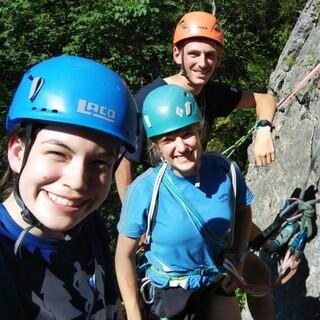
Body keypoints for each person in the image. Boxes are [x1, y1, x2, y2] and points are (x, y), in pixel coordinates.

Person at [0, 55, 137, 319]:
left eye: (99, 163)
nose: (77, 182)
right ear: (18, 152)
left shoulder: (88, 226)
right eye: (57, 153)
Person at [115, 84, 253, 320]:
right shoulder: (144, 189)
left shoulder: (225, 170)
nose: (182, 147)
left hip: (214, 281)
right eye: (168, 139)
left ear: (200, 132)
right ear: (156, 146)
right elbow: (123, 256)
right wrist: (135, 315)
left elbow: (243, 210)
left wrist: (238, 257)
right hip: (170, 293)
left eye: (188, 133)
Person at [115, 11, 276, 202]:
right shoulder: (148, 99)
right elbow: (123, 161)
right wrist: (133, 216)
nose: (202, 63)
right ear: (177, 55)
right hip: (161, 200)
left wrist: (263, 130)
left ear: (218, 59)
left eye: (210, 55)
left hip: (196, 190)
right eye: (194, 54)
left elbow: (264, 99)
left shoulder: (211, 93)